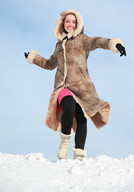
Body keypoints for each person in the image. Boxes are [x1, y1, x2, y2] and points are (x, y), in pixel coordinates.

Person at [24, 9, 126, 161]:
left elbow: (98, 41)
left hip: (82, 87)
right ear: (62, 24)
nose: (70, 24)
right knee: (69, 106)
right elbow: (50, 64)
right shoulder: (59, 45)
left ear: (77, 24)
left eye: (73, 22)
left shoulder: (83, 40)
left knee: (81, 117)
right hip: (63, 86)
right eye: (67, 21)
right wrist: (34, 58)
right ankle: (65, 140)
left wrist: (114, 44)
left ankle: (79, 154)